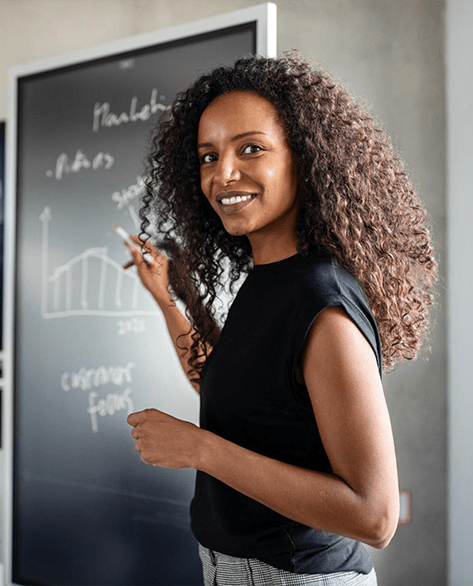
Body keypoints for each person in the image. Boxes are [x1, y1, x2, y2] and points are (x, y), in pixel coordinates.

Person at [125, 52, 436, 586]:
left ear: (305, 158)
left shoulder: (323, 300)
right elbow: (226, 384)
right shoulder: (272, 277)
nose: (222, 174)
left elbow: (374, 516)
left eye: (251, 149)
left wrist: (198, 448)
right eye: (207, 156)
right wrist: (170, 300)